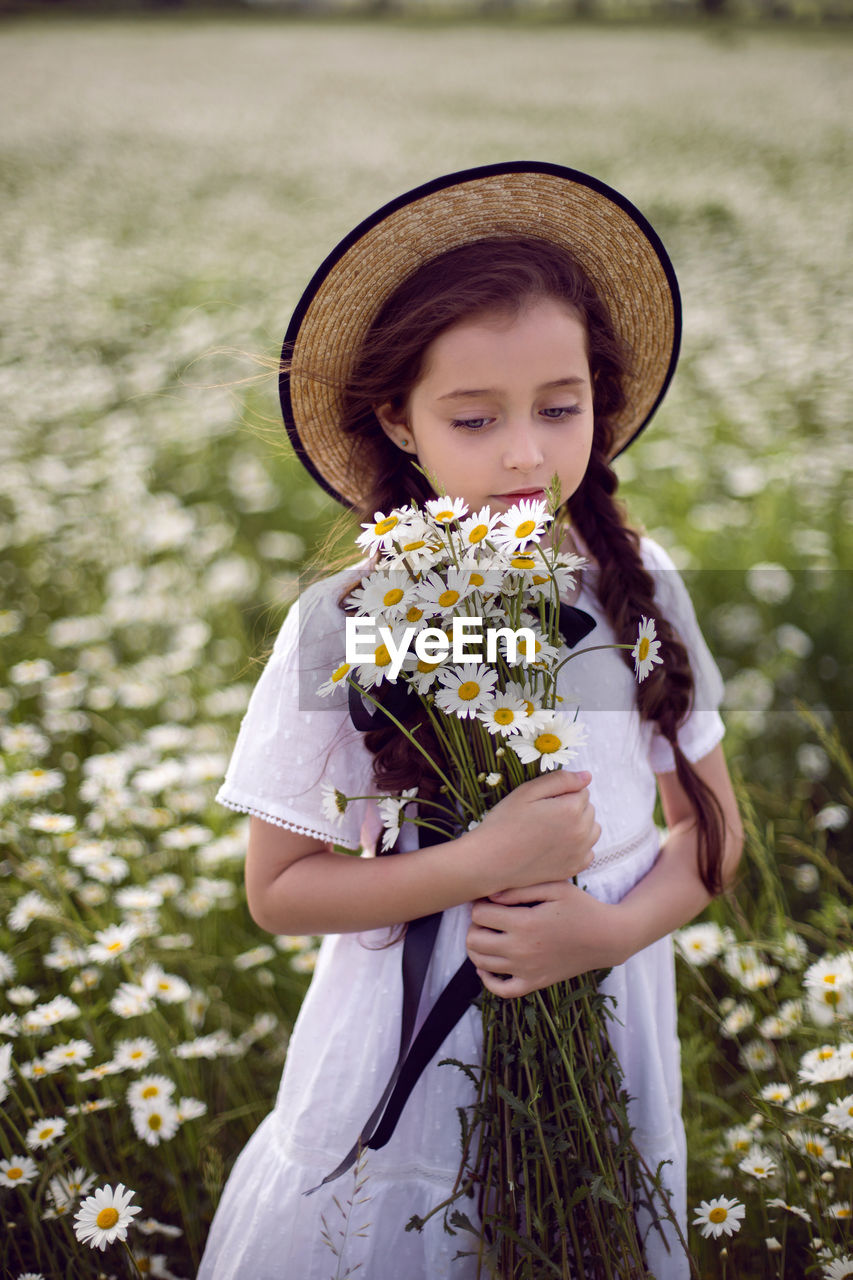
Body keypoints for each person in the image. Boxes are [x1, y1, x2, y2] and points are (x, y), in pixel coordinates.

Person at [197, 162, 743, 1280]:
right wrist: (486, 860)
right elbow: (279, 887)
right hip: (410, 1051)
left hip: (609, 1020)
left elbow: (713, 840)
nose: (525, 453)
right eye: (473, 416)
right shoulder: (345, 618)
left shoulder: (631, 585)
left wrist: (603, 933)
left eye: (560, 405)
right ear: (398, 418)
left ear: (601, 394)